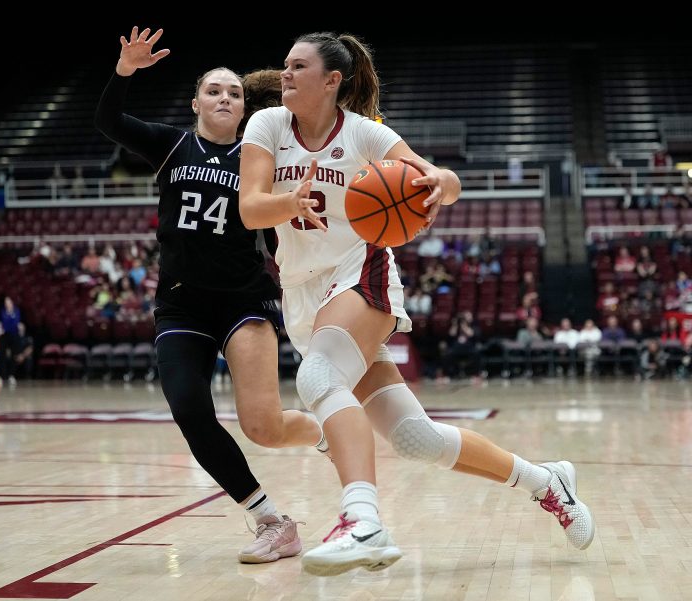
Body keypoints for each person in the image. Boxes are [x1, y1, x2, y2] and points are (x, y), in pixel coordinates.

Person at [240, 31, 595, 576]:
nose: (284, 73)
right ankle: (547, 481)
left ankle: (362, 521)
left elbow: (441, 181)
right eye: (284, 64)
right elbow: (251, 209)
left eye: (298, 66)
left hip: (359, 273)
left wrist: (441, 181)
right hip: (302, 292)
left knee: (318, 379)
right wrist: (289, 201)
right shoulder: (267, 125)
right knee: (414, 437)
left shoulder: (363, 132)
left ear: (332, 80)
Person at [94, 25, 324, 564]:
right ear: (195, 102)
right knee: (189, 410)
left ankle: (327, 431)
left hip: (243, 300)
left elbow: (282, 228)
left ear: (245, 108)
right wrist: (124, 70)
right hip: (181, 305)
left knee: (263, 427)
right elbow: (108, 121)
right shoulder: (172, 145)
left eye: (234, 93)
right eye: (214, 90)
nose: (225, 97)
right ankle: (271, 521)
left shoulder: (260, 156)